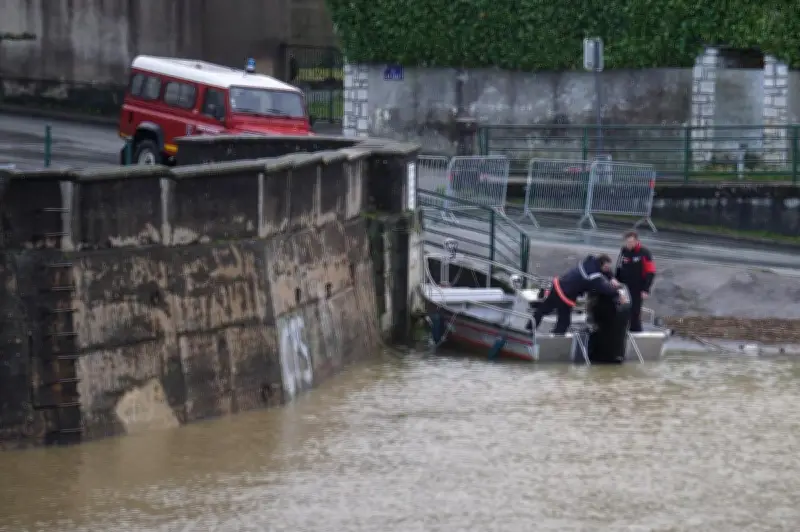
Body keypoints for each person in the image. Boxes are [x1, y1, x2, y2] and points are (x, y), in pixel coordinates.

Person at [532, 254, 624, 334]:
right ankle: (556, 340)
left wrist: (611, 278)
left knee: (544, 309)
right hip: (565, 294)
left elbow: (605, 271)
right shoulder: (592, 276)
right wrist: (618, 294)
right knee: (564, 322)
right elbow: (604, 289)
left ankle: (529, 329)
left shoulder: (590, 261)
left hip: (558, 285)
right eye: (606, 267)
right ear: (601, 264)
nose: (608, 269)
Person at [614, 231, 656, 332]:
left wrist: (646, 289)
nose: (629, 244)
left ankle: (636, 331)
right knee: (621, 307)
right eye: (627, 242)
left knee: (635, 311)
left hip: (638, 287)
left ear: (636, 241)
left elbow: (651, 272)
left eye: (631, 242)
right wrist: (615, 280)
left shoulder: (644, 253)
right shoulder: (624, 251)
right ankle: (621, 329)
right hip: (624, 285)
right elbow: (619, 266)